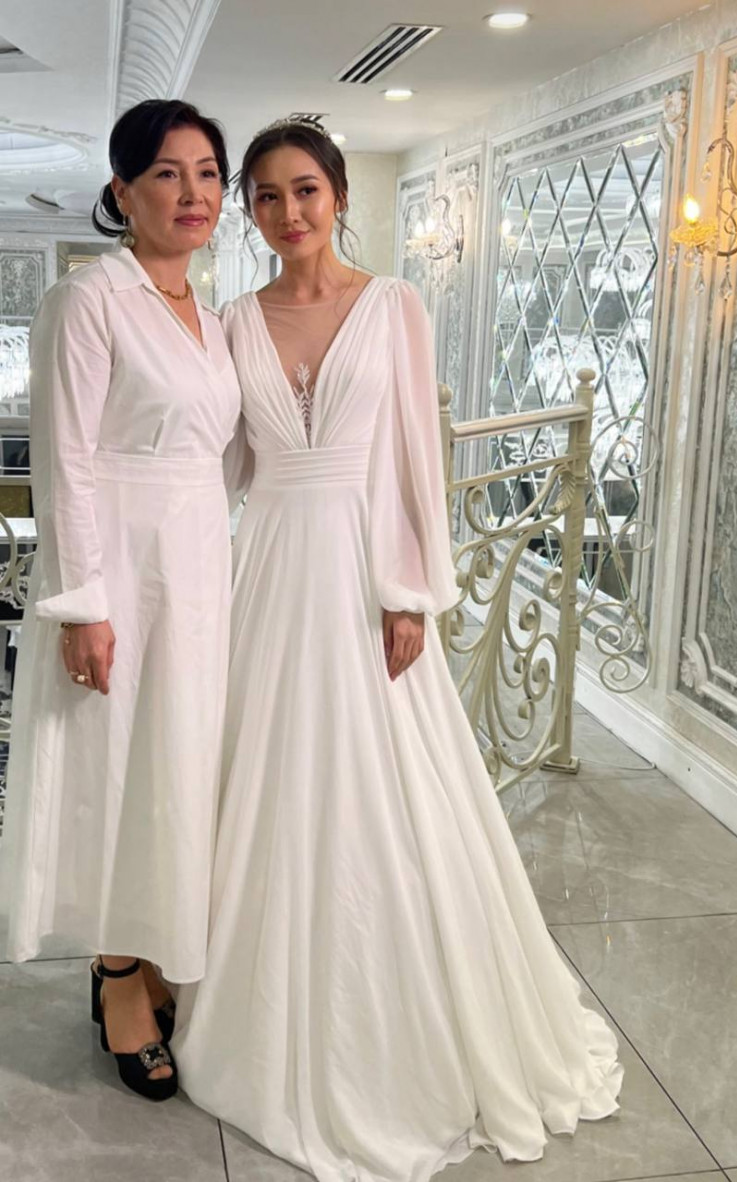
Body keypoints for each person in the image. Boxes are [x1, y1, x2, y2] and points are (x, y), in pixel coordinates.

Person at [173, 118, 623, 1176]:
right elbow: (219, 466)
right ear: (248, 212)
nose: (288, 212)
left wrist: (410, 590)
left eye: (305, 190)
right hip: (268, 567)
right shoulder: (232, 321)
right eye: (266, 196)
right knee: (267, 774)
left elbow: (419, 457)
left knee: (390, 784)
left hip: (362, 571)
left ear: (338, 195)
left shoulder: (394, 307)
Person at [0, 99, 243, 1102]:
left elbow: (224, 458)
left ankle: (156, 945)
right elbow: (63, 463)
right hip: (121, 572)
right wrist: (83, 605)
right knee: (114, 765)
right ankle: (114, 973)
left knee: (175, 767)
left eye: (207, 174)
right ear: (122, 191)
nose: (192, 194)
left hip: (200, 570)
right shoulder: (88, 300)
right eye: (166, 174)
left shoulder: (214, 319)